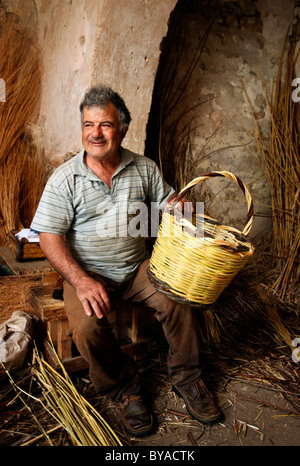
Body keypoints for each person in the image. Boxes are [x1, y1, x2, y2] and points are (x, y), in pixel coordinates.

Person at [31, 84, 221, 437]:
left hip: (137, 268)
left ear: (123, 129)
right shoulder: (65, 179)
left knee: (180, 300)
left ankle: (188, 379)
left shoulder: (143, 168)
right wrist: (81, 281)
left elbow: (166, 209)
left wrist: (181, 210)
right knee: (87, 327)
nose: (95, 133)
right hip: (87, 272)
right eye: (88, 125)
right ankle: (124, 389)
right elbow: (48, 237)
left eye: (104, 125)